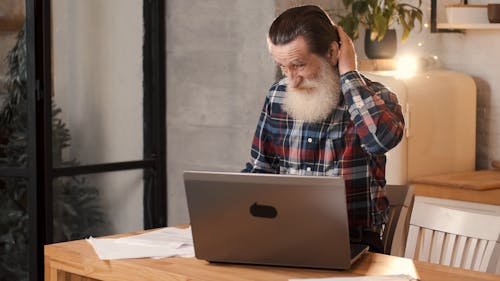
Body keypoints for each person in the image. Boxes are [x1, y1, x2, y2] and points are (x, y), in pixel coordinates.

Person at [242, 5, 405, 253]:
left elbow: (381, 140)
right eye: (283, 67)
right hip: (285, 235)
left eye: (299, 65)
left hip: (355, 243)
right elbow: (259, 169)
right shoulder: (277, 96)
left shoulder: (377, 97)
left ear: (332, 52)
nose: (291, 80)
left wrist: (349, 73)